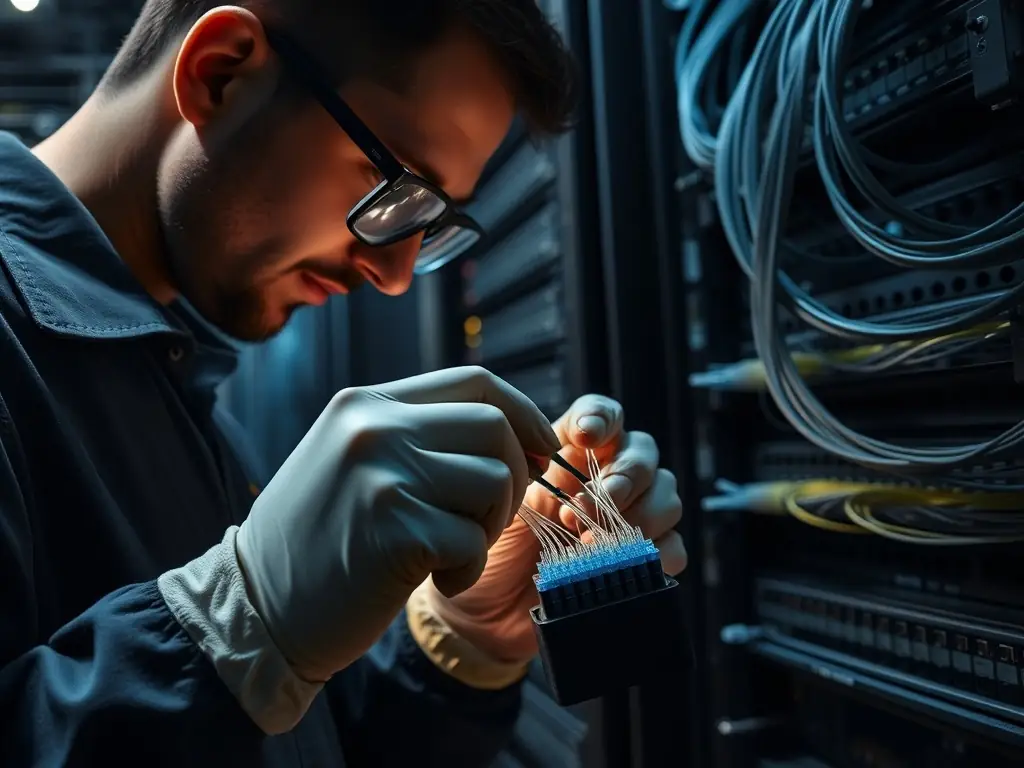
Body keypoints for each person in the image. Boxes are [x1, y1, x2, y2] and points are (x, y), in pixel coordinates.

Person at [0, 1, 687, 765]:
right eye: (395, 189)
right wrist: (235, 626)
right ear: (222, 73)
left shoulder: (174, 382)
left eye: (431, 222)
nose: (393, 275)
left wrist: (463, 637)